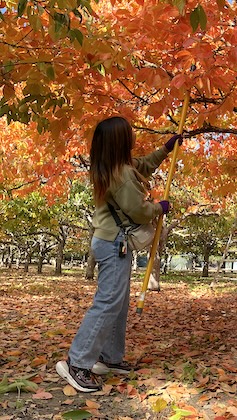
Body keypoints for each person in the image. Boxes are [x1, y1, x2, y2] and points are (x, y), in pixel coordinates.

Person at [56, 116, 183, 392]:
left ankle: (110, 357)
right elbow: (137, 209)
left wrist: (165, 150)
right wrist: (159, 208)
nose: (134, 137)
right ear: (120, 141)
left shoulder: (115, 167)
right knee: (108, 302)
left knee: (118, 302)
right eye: (130, 134)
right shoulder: (121, 175)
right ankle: (77, 362)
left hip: (111, 243)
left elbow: (144, 166)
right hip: (115, 244)